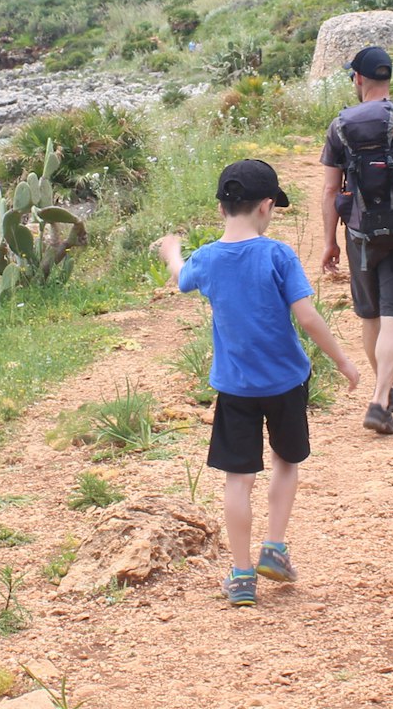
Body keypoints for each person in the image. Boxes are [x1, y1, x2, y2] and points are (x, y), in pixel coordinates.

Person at [156, 158, 360, 608]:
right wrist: (343, 361)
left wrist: (172, 251)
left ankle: (242, 575)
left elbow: (183, 278)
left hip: (234, 386)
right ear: (266, 206)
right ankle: (276, 548)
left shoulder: (207, 258)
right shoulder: (278, 254)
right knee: (287, 461)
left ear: (221, 208)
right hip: (286, 381)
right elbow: (306, 316)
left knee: (238, 479)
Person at [318, 45, 393, 436]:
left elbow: (328, 190)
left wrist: (329, 242)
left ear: (359, 79)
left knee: (370, 316)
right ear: (387, 78)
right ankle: (380, 398)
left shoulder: (339, 126)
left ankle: (382, 392)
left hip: (359, 234)